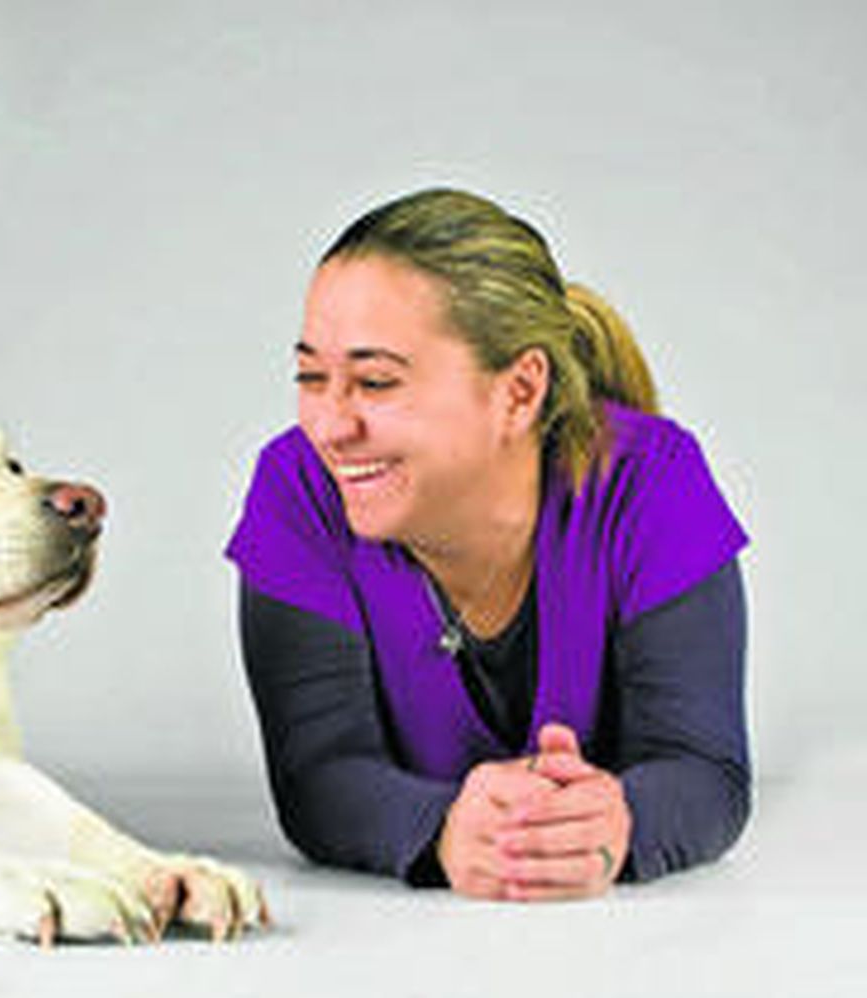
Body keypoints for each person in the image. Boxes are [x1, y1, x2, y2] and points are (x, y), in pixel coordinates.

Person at [226, 188, 750, 900]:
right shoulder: (296, 490)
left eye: (375, 381)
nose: (330, 426)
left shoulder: (651, 480)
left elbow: (706, 771)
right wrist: (443, 830)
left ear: (519, 391)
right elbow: (319, 778)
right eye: (312, 378)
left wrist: (616, 821)